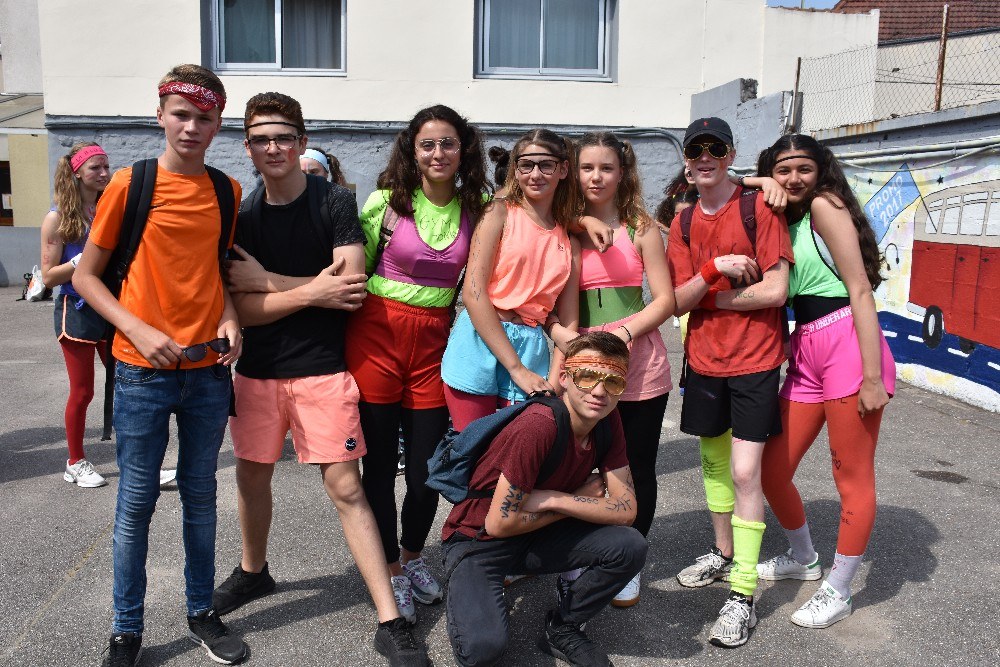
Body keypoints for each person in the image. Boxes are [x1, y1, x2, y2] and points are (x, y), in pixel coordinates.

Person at [212, 92, 429, 667]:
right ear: (247, 147)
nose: (273, 147)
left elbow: (350, 289)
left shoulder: (334, 201)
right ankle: (254, 571)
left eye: (284, 136)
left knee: (346, 489)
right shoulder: (242, 216)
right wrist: (312, 291)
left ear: (302, 141)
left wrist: (269, 282)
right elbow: (243, 307)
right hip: (257, 372)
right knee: (251, 479)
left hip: (323, 370)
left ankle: (390, 618)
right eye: (261, 138)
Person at [73, 64, 246, 666]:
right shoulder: (130, 183)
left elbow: (215, 270)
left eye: (204, 118)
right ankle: (127, 631)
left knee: (201, 498)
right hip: (139, 371)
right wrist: (138, 329)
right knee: (136, 504)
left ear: (218, 124)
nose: (191, 127)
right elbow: (86, 277)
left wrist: (230, 317)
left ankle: (201, 612)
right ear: (160, 116)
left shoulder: (227, 190)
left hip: (206, 372)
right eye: (181, 115)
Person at [345, 104, 490, 624]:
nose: (437, 153)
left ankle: (412, 558)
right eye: (427, 144)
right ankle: (389, 569)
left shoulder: (481, 206)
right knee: (381, 466)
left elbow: (533, 220)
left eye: (447, 143)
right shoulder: (386, 202)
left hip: (435, 342)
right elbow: (350, 268)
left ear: (463, 150)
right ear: (412, 149)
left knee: (428, 470)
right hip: (376, 335)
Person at [748, 134, 894, 629]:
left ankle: (840, 588)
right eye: (782, 169)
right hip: (807, 348)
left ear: (822, 171)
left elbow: (860, 290)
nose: (793, 179)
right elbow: (719, 185)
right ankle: (805, 558)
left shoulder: (825, 206)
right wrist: (759, 182)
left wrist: (871, 377)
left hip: (847, 345)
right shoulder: (785, 218)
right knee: (772, 469)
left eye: (803, 169)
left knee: (852, 477)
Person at [442, 332, 647, 667]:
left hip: (537, 532)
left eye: (613, 381)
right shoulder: (538, 426)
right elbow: (499, 523)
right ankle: (471, 585)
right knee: (482, 649)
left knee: (630, 545)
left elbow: (626, 510)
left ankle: (562, 628)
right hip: (479, 540)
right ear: (564, 377)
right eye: (587, 376)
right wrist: (576, 500)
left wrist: (556, 499)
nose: (599, 391)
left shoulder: (607, 419)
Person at [667, 117, 793, 648]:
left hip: (755, 361)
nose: (704, 156)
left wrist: (709, 296)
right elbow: (675, 299)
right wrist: (716, 269)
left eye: (715, 148)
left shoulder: (758, 208)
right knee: (715, 463)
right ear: (686, 159)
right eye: (695, 149)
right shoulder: (683, 223)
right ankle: (723, 553)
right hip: (703, 361)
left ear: (730, 154)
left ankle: (743, 592)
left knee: (745, 472)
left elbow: (776, 291)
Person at [571, 132, 675, 607]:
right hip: (582, 361)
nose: (596, 177)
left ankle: (629, 559)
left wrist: (624, 334)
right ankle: (582, 550)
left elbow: (665, 300)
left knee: (636, 466)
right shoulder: (565, 227)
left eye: (606, 168)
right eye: (586, 167)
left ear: (622, 172)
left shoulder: (641, 228)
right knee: (579, 465)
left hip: (637, 361)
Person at [440, 128, 580, 431]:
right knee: (472, 446)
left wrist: (555, 383)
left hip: (531, 346)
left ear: (563, 169)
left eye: (546, 165)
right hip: (480, 339)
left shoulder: (570, 239)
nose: (535, 174)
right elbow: (473, 293)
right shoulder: (498, 213)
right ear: (515, 169)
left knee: (518, 451)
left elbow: (569, 323)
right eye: (526, 165)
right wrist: (516, 369)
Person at [40, 143, 111, 488]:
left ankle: (139, 460)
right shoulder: (57, 218)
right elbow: (47, 277)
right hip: (77, 309)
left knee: (129, 388)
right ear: (78, 173)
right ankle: (75, 461)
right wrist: (77, 262)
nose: (104, 173)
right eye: (96, 167)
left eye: (106, 166)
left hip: (111, 305)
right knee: (83, 392)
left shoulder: (108, 208)